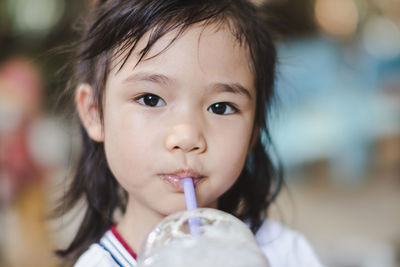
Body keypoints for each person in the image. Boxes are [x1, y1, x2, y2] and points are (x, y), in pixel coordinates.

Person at [55, 0, 323, 266]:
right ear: (94, 112)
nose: (186, 137)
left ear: (256, 127)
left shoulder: (285, 254)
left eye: (221, 107)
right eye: (150, 99)